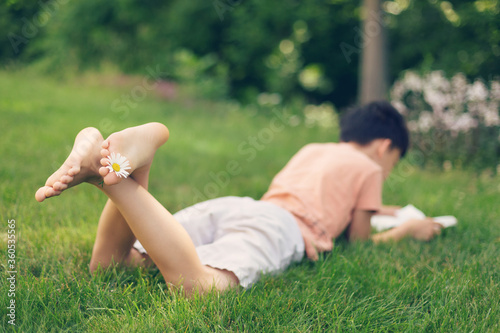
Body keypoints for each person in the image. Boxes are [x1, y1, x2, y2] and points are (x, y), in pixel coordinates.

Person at [35, 101, 442, 294]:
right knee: (198, 287)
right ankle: (119, 178)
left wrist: (386, 210)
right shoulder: (370, 168)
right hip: (281, 228)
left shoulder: (315, 149)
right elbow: (359, 238)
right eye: (394, 162)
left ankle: (128, 165)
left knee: (111, 265)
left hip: (241, 207)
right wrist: (408, 229)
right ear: (386, 147)